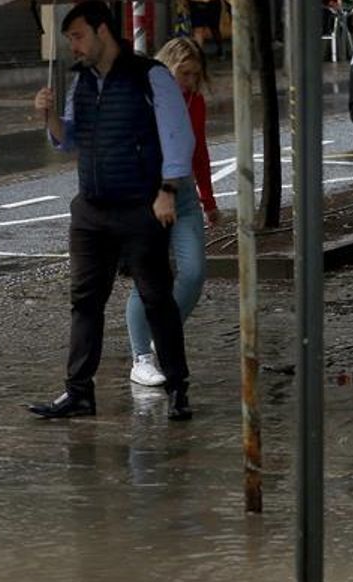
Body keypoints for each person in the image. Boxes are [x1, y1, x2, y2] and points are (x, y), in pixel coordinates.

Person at [29, 0, 195, 421]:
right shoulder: (81, 83)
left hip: (141, 206)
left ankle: (178, 387)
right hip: (91, 209)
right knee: (85, 301)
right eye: (69, 40)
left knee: (157, 298)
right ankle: (78, 391)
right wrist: (49, 118)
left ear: (103, 31)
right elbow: (69, 140)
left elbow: (178, 137)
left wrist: (167, 190)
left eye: (79, 36)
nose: (74, 47)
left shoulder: (148, 76)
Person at [126, 37, 219, 388]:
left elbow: (200, 151)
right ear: (167, 70)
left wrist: (208, 200)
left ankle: (162, 336)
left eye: (195, 75)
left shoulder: (195, 102)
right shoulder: (147, 101)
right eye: (184, 73)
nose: (190, 82)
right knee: (149, 278)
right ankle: (142, 357)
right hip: (149, 198)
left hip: (183, 197)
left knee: (193, 272)